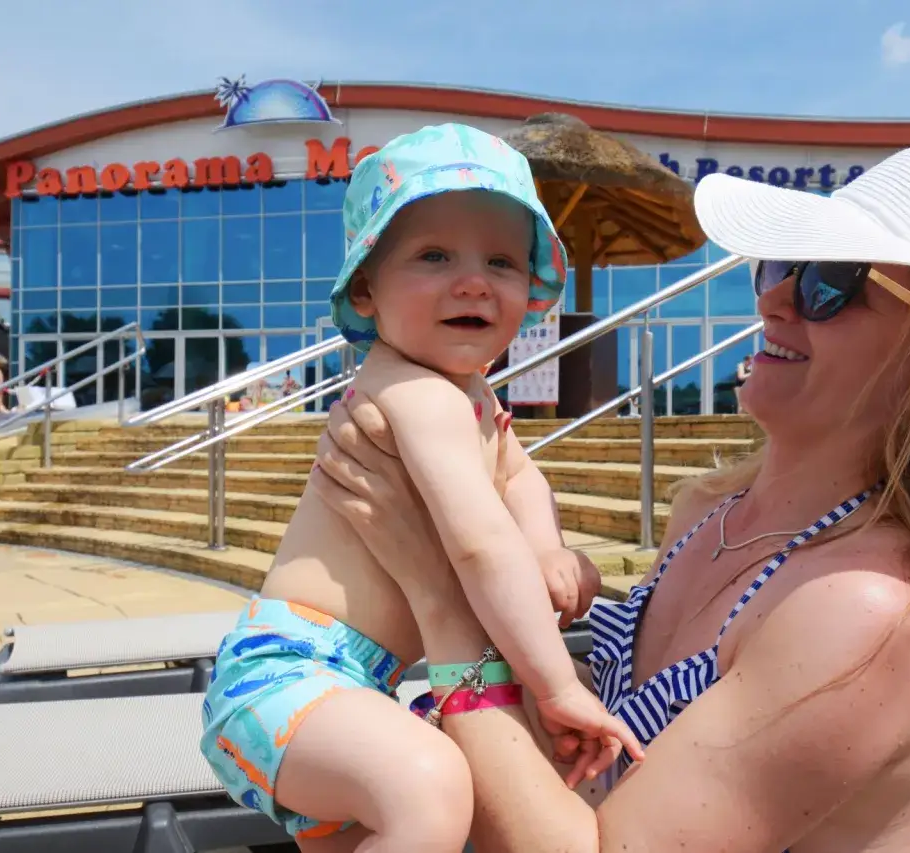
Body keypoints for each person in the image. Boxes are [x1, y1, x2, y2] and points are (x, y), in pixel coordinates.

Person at [310, 138, 910, 853]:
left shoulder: (875, 613)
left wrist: (441, 597)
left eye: (829, 283)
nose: (775, 299)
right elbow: (607, 762)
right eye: (780, 264)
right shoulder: (712, 514)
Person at [199, 123, 641, 852]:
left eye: (501, 261)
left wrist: (548, 544)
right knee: (432, 787)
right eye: (434, 255)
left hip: (354, 687)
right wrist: (558, 686)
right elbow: (478, 544)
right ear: (366, 289)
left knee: (408, 813)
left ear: (528, 293)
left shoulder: (469, 394)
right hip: (292, 675)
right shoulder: (416, 394)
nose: (472, 280)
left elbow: (518, 474)